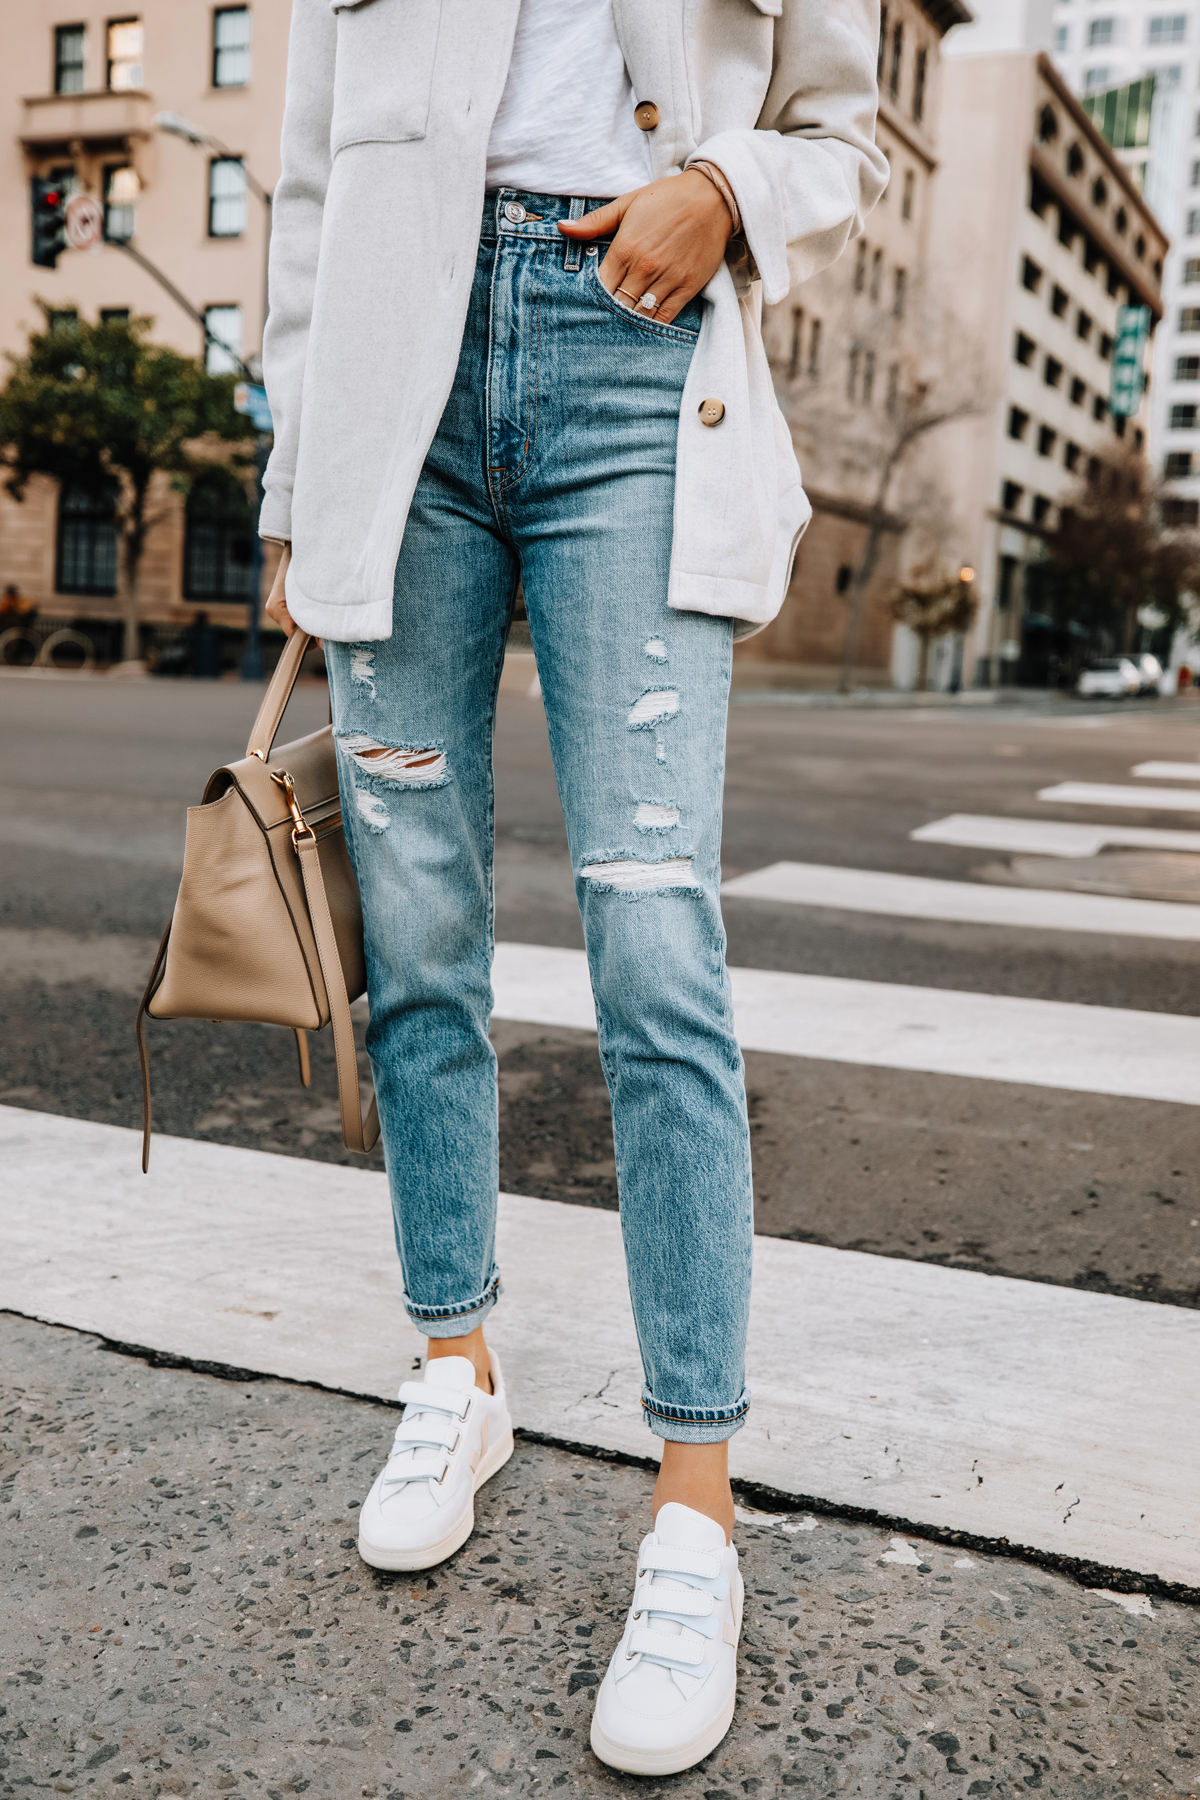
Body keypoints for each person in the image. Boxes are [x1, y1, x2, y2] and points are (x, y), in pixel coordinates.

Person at [261, 0, 885, 1774]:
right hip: (401, 383)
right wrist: (295, 475)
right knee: (424, 931)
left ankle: (699, 1501)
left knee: (654, 934)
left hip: (640, 348)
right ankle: (454, 1368)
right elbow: (310, 184)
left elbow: (844, 132)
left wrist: (723, 185)